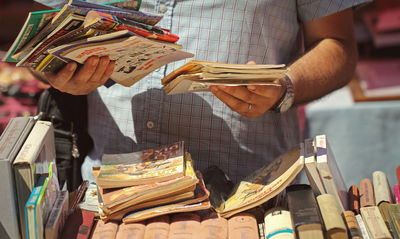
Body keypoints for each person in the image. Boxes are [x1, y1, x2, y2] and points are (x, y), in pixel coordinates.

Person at [33, 0, 370, 184]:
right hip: (109, 188)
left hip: (242, 193)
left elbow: (337, 46)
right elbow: (43, 38)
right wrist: (56, 71)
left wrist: (285, 84)